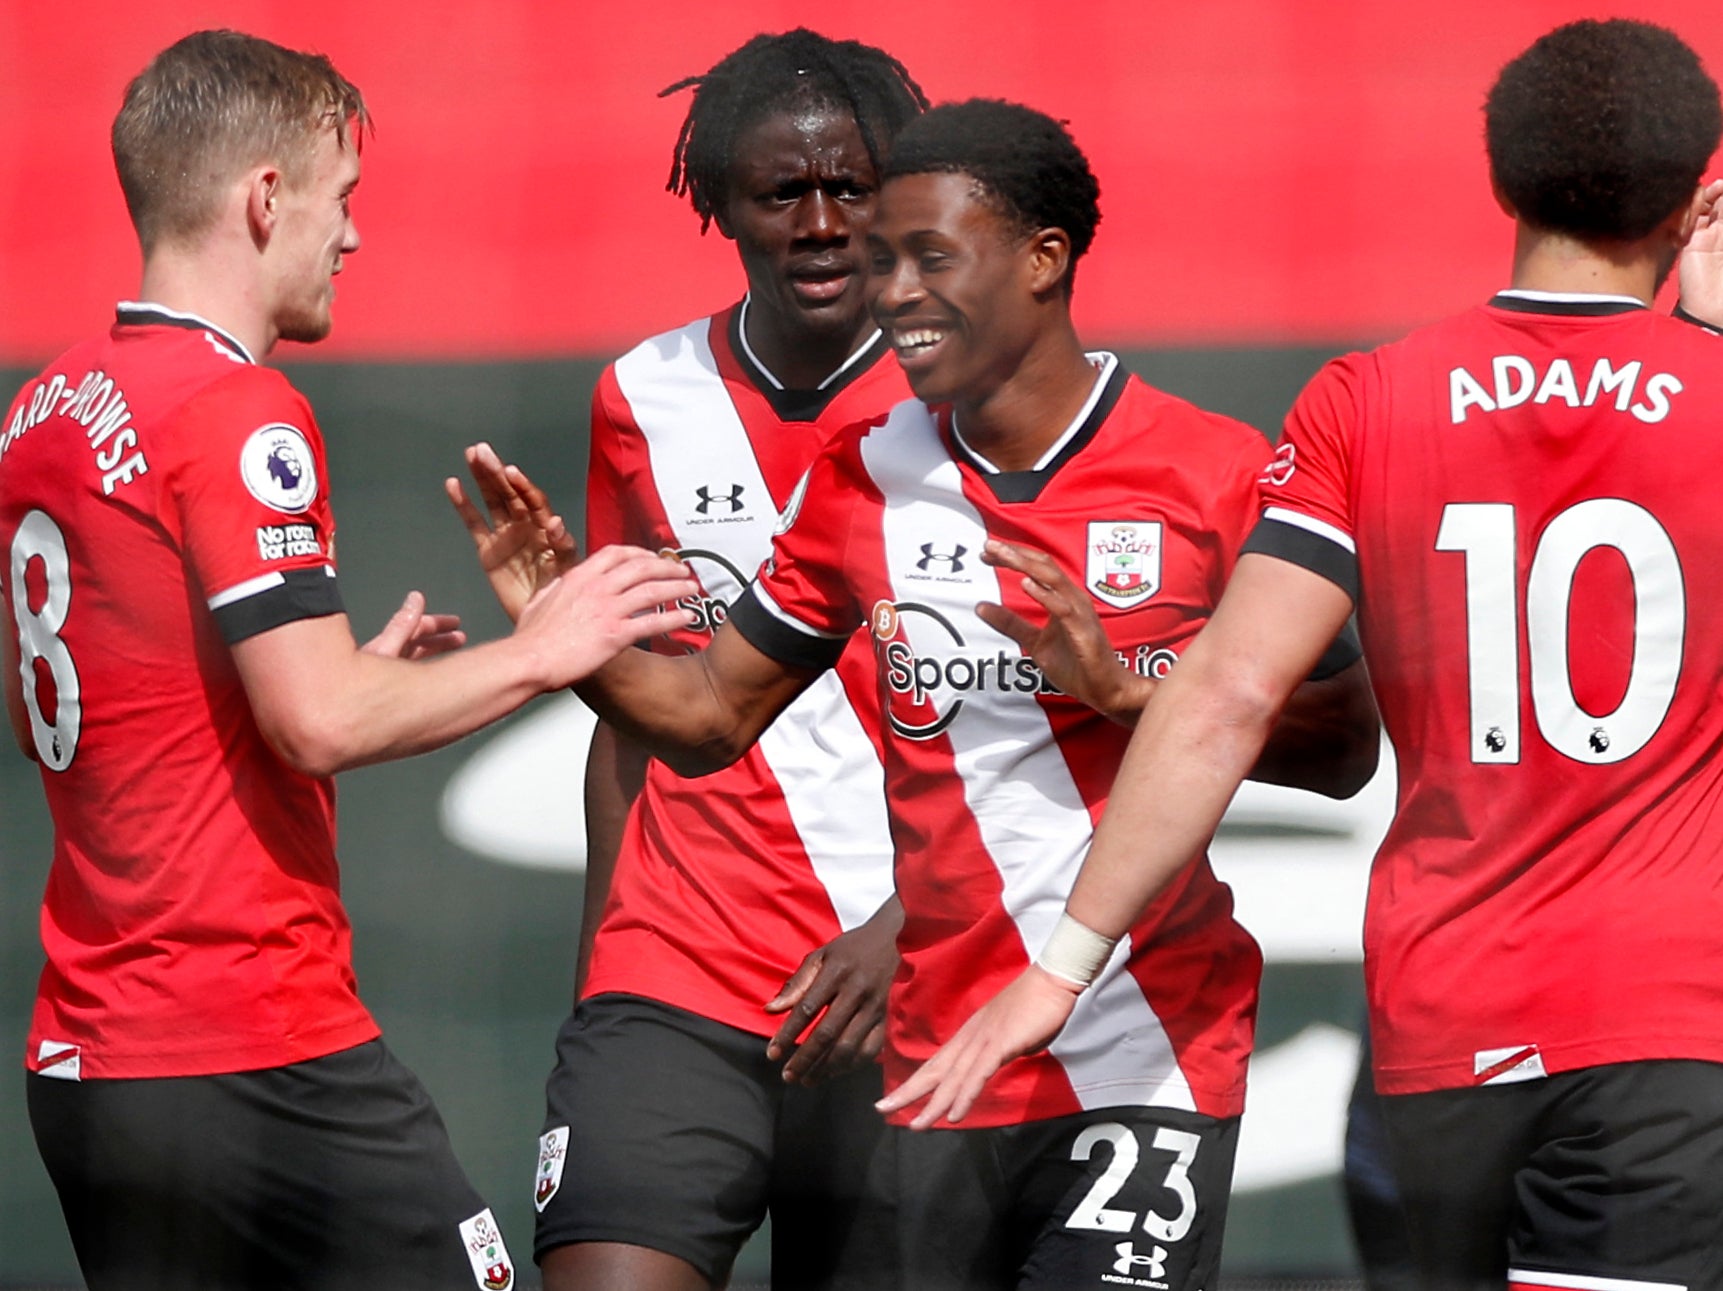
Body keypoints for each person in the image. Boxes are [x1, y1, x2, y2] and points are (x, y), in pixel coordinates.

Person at [475, 98, 1377, 1290]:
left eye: (929, 257)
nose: (891, 290)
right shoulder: (867, 478)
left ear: (1045, 259)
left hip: (1137, 1044)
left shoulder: (1209, 474)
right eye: (886, 259)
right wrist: (562, 640)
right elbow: (705, 719)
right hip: (933, 1062)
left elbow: (1342, 749)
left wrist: (1118, 686)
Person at [886, 22, 1723, 1291]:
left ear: (1499, 183)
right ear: (1692, 197)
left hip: (1442, 1033)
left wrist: (1059, 968)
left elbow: (1220, 696)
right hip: (1664, 1023)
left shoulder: (1366, 399)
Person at [0, 30, 695, 1291]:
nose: (354, 238)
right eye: (344, 198)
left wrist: (361, 675)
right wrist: (547, 649)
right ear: (266, 198)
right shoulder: (238, 408)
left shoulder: (48, 402)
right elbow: (316, 722)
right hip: (259, 1051)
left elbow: (96, 708)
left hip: (95, 1067)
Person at [451, 29, 926, 1291]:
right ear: (717, 203)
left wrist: (926, 922)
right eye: (785, 192)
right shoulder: (639, 397)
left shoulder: (972, 404)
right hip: (679, 977)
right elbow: (639, 705)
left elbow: (1048, 725)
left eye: (856, 187)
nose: (824, 222)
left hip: (908, 976)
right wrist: (600, 976)